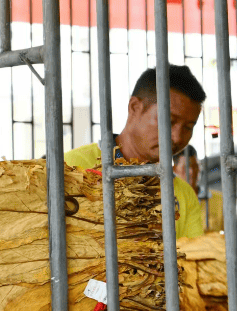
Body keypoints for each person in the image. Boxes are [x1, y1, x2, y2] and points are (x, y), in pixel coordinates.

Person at [64, 64, 205, 239]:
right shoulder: (71, 166)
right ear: (134, 107)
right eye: (169, 121)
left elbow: (193, 262)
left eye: (188, 127)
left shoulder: (183, 194)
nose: (177, 137)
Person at [174, 144, 223, 233]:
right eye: (186, 167)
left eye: (195, 166)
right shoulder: (166, 202)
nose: (192, 171)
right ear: (174, 170)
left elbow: (232, 236)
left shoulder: (219, 199)